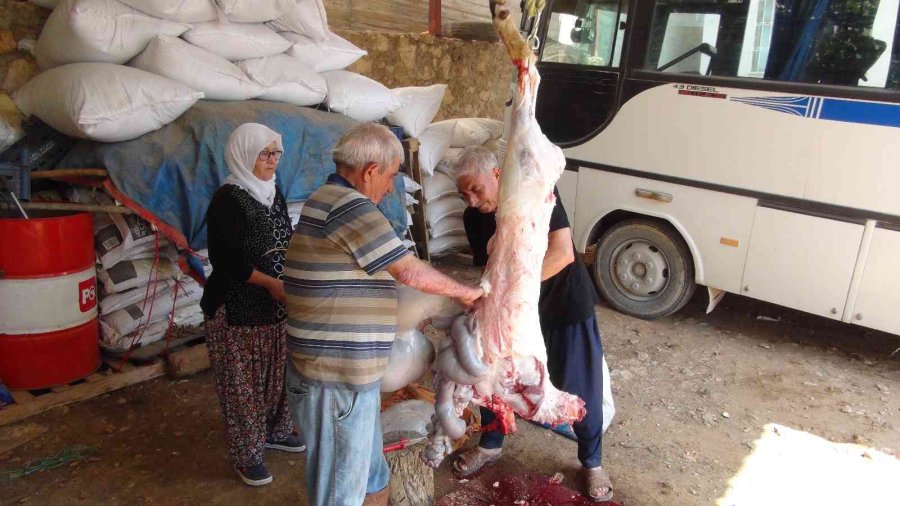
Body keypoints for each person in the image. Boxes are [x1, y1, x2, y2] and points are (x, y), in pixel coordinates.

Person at [283, 123, 484, 506]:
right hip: (335, 380)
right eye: (390, 176)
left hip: (343, 379)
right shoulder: (351, 207)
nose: (391, 188)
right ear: (370, 171)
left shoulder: (323, 199)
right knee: (339, 493)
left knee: (371, 475)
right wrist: (466, 293)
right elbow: (408, 270)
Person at [452, 146, 614, 502]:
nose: (471, 199)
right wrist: (484, 300)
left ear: (497, 175)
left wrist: (515, 290)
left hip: (564, 305)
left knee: (579, 384)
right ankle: (491, 444)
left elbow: (563, 253)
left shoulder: (535, 195)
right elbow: (489, 267)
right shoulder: (473, 218)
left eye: (476, 189)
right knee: (493, 374)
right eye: (463, 193)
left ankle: (592, 461)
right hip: (514, 311)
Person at [200, 123, 305, 488]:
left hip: (275, 306)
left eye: (276, 153)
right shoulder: (228, 199)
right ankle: (248, 454)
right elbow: (225, 261)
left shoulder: (272, 192)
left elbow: (284, 238)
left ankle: (276, 430)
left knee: (277, 375)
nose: (272, 160)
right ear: (245, 155)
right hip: (237, 308)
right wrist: (272, 284)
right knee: (242, 385)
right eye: (264, 153)